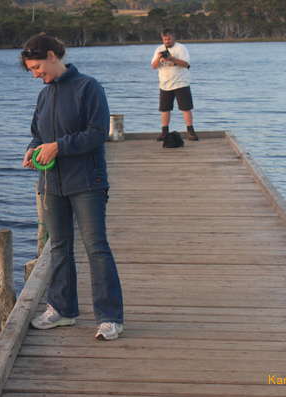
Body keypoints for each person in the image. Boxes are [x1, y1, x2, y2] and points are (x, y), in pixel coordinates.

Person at [20, 33, 125, 341]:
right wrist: (33, 148)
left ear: (53, 56)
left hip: (87, 182)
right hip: (52, 183)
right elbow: (38, 134)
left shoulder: (88, 87)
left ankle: (110, 318)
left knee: (96, 248)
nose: (36, 74)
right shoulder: (44, 95)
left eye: (37, 67)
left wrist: (59, 147)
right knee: (59, 246)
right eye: (31, 70)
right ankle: (62, 311)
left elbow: (96, 133)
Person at [150, 28, 198, 141]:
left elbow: (186, 64)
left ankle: (191, 132)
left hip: (181, 83)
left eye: (169, 39)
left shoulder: (181, 48)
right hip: (165, 84)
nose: (167, 41)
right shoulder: (159, 49)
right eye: (165, 39)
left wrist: (172, 58)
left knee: (186, 108)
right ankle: (164, 132)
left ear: (173, 38)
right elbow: (153, 66)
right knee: (164, 109)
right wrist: (159, 57)